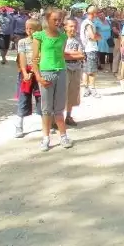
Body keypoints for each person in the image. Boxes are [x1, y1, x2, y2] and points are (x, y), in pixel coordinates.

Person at [32, 8, 73, 152]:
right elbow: (34, 59)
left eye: (59, 19)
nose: (57, 22)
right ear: (47, 19)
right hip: (46, 73)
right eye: (54, 19)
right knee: (46, 109)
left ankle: (63, 136)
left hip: (61, 72)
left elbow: (61, 55)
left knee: (59, 108)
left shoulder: (63, 37)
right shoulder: (39, 36)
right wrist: (38, 77)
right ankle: (45, 138)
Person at [14, 18, 42, 138]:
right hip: (26, 73)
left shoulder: (41, 42)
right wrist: (25, 72)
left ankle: (46, 122)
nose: (29, 31)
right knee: (23, 98)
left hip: (39, 72)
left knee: (41, 98)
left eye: (31, 28)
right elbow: (22, 57)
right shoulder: (22, 42)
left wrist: (38, 70)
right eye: (27, 28)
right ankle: (19, 125)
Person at [63, 19, 84, 127]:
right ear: (65, 27)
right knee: (62, 93)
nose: (73, 29)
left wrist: (67, 54)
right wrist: (73, 54)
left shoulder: (78, 40)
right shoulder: (62, 39)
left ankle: (68, 116)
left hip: (76, 68)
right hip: (64, 68)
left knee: (73, 93)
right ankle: (58, 118)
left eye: (75, 26)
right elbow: (60, 54)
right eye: (71, 26)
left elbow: (81, 55)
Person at [80, 6, 102, 98]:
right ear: (94, 13)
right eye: (97, 13)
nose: (97, 15)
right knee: (92, 71)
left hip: (85, 49)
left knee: (86, 70)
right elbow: (92, 36)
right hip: (91, 48)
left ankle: (86, 89)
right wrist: (99, 37)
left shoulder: (86, 22)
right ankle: (92, 89)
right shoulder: (88, 23)